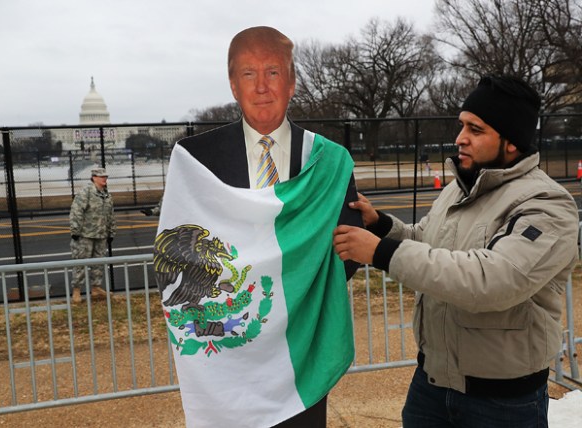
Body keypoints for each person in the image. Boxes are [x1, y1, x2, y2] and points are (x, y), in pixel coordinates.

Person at [333, 74, 579, 427]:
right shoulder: (460, 187)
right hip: (431, 387)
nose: (460, 138)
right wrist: (381, 226)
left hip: (502, 404)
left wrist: (380, 252)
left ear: (511, 142)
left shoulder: (547, 204)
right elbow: (428, 242)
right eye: (462, 125)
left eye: (475, 130)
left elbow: (492, 280)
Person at [154, 26, 362, 427]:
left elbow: (346, 250)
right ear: (233, 84)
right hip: (229, 357)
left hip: (300, 348)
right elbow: (174, 251)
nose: (262, 86)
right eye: (249, 73)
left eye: (273, 72)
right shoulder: (195, 160)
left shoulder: (328, 161)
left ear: (292, 82)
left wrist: (295, 299)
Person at [69, 167, 117, 304]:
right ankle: (77, 291)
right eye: (101, 177)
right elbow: (76, 211)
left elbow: (111, 215)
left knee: (98, 262)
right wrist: (75, 231)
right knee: (81, 262)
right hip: (86, 235)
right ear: (94, 178)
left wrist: (111, 232)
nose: (104, 179)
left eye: (105, 177)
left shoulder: (106, 195)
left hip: (101, 235)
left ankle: (96, 288)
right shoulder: (86, 192)